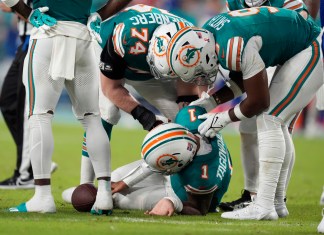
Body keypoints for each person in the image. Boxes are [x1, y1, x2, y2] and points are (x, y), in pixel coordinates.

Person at [153, 7, 323, 220]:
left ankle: (264, 205)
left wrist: (223, 118)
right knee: (275, 121)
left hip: (310, 46)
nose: (200, 78)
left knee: (270, 118)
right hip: (297, 45)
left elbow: (259, 101)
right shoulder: (210, 36)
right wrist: (212, 101)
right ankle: (276, 203)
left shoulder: (231, 45)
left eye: (197, 71)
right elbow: (246, 79)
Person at [2, 0, 132, 214]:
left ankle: (42, 196)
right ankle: (104, 195)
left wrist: (26, 12)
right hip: (84, 36)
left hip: (47, 32)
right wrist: (100, 14)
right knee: (92, 117)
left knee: (40, 115)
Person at [70, 4, 202, 189]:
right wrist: (146, 118)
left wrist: (186, 111)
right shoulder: (123, 38)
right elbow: (111, 88)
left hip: (154, 67)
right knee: (107, 112)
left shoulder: (190, 39)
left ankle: (190, 185)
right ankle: (85, 185)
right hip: (110, 52)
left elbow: (188, 86)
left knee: (188, 124)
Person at [218, 0, 310, 212]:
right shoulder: (234, 2)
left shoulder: (287, 2)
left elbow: (302, 34)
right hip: (262, 60)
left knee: (276, 123)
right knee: (248, 127)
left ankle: (277, 197)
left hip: (294, 59)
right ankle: (253, 194)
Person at [64, 106, 232, 216]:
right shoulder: (189, 118)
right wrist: (125, 181)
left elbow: (199, 209)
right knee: (114, 179)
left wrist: (173, 203)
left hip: (184, 194)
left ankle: (78, 195)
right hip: (179, 162)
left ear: (176, 167)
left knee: (118, 199)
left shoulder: (203, 177)